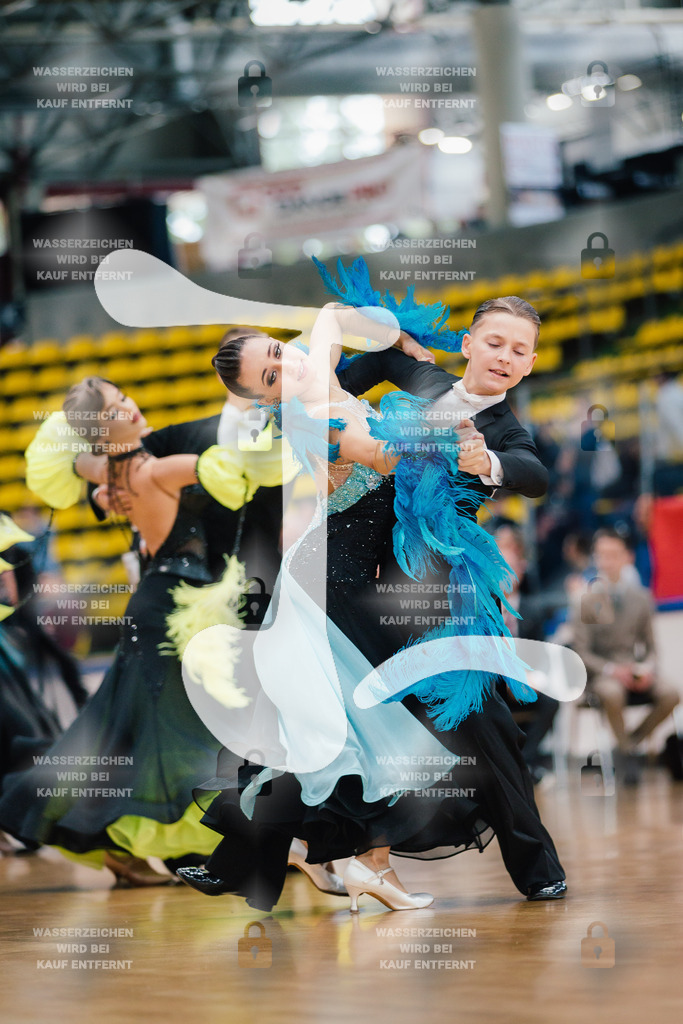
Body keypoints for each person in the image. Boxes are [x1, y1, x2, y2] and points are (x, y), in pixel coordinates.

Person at [179, 286, 565, 908]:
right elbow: (347, 373)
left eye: (518, 350)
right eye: (494, 341)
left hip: (426, 596)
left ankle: (534, 865)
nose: (503, 356)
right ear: (467, 344)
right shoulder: (415, 376)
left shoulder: (505, 430)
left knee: (477, 723)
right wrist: (312, 397)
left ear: (529, 365)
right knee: (321, 712)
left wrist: (483, 459)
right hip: (347, 579)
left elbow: (535, 475)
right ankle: (270, 857)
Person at [0, 377, 277, 885]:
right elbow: (238, 467)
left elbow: (82, 464)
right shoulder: (161, 469)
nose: (133, 404)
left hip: (153, 604)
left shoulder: (104, 471)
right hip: (172, 607)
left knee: (119, 733)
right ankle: (238, 840)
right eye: (120, 404)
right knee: (184, 734)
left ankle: (119, 846)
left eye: (127, 395)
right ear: (107, 424)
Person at [570, 527, 679, 780]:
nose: (606, 561)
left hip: (634, 668)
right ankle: (628, 753)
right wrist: (612, 670)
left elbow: (651, 648)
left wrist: (646, 668)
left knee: (671, 694)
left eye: (613, 555)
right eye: (601, 555)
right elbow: (582, 652)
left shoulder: (641, 598)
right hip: (602, 675)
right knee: (612, 691)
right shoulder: (585, 598)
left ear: (627, 557)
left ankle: (627, 745)